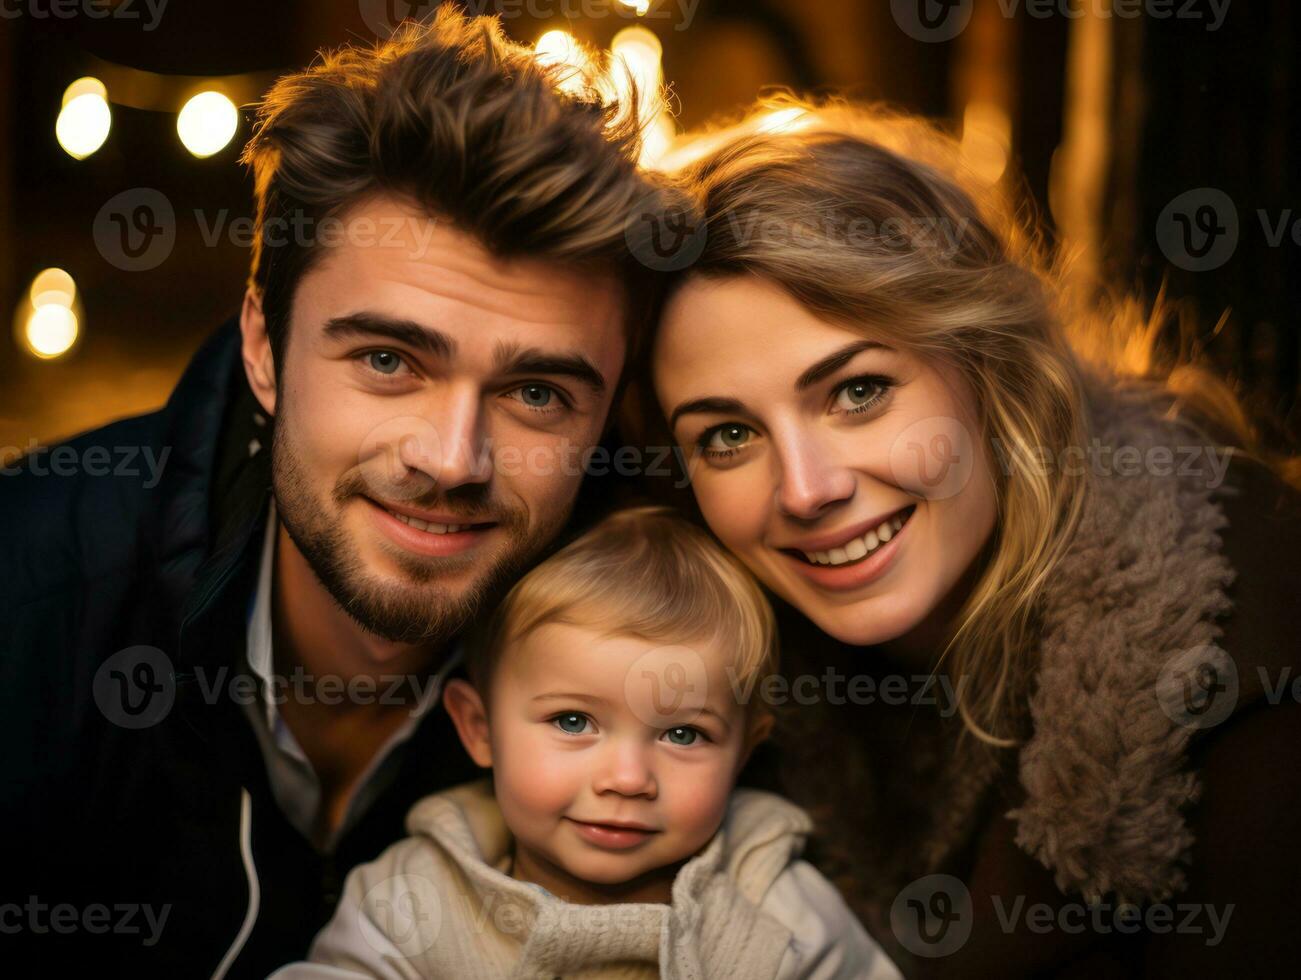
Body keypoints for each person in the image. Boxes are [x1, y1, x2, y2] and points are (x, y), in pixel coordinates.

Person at [0, 8, 674, 976]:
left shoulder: (673, 655)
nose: (451, 458)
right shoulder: (31, 601)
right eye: (390, 359)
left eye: (535, 392)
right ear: (264, 347)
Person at [639, 97, 1301, 977]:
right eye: (726, 436)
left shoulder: (1242, 693)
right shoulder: (725, 677)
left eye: (858, 391)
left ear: (989, 364)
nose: (806, 490)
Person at [272, 506, 900, 979]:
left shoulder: (780, 910)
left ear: (744, 749)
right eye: (573, 722)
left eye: (684, 734)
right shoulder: (410, 903)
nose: (627, 778)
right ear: (479, 728)